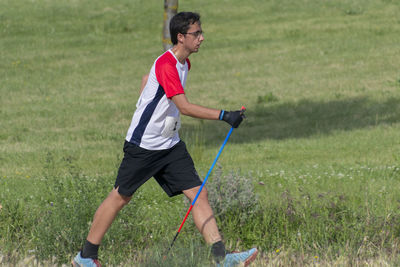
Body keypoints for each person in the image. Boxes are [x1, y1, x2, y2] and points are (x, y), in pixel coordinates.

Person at [73, 12, 258, 267]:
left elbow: (146, 80)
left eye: (201, 33)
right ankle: (85, 257)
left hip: (170, 145)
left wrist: (148, 105)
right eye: (196, 34)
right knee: (120, 197)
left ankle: (222, 259)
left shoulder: (184, 64)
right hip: (145, 146)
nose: (202, 38)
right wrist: (225, 115)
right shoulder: (167, 64)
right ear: (181, 37)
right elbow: (184, 106)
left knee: (198, 194)